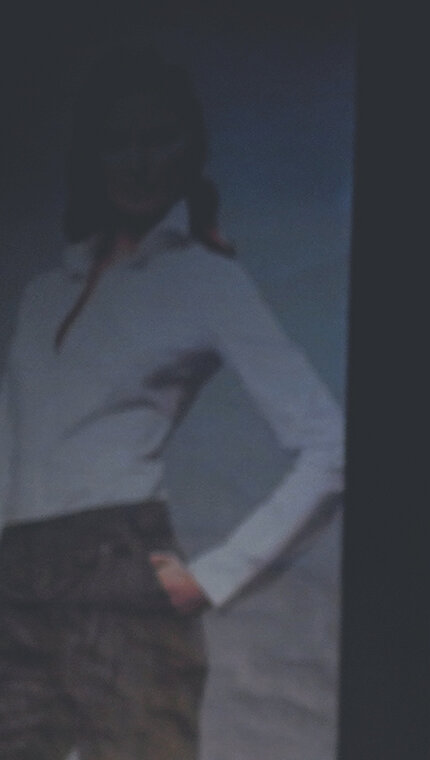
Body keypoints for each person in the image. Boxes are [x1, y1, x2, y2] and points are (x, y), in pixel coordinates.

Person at [0, 50, 344, 759]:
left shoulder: (201, 280)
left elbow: (329, 445)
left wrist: (214, 577)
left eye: (159, 140)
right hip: (16, 583)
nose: (139, 161)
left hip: (118, 575)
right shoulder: (45, 293)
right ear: (93, 154)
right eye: (119, 142)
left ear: (189, 150)